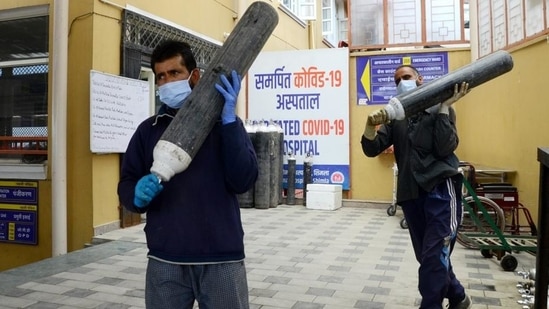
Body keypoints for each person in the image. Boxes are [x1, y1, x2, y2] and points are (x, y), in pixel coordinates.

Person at [117, 39, 258, 309]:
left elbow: (244, 180)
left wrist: (228, 122)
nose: (167, 81)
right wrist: (135, 194)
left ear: (194, 76)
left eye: (174, 73)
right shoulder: (149, 131)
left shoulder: (225, 126)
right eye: (161, 76)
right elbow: (127, 182)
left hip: (221, 257)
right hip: (166, 257)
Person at [361, 64, 471, 309]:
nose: (402, 82)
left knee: (433, 256)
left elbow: (445, 148)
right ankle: (458, 296)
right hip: (411, 193)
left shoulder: (440, 108)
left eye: (407, 77)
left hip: (441, 190)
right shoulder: (397, 117)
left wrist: (444, 109)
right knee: (428, 255)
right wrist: (370, 128)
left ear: (419, 79)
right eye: (397, 79)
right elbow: (372, 148)